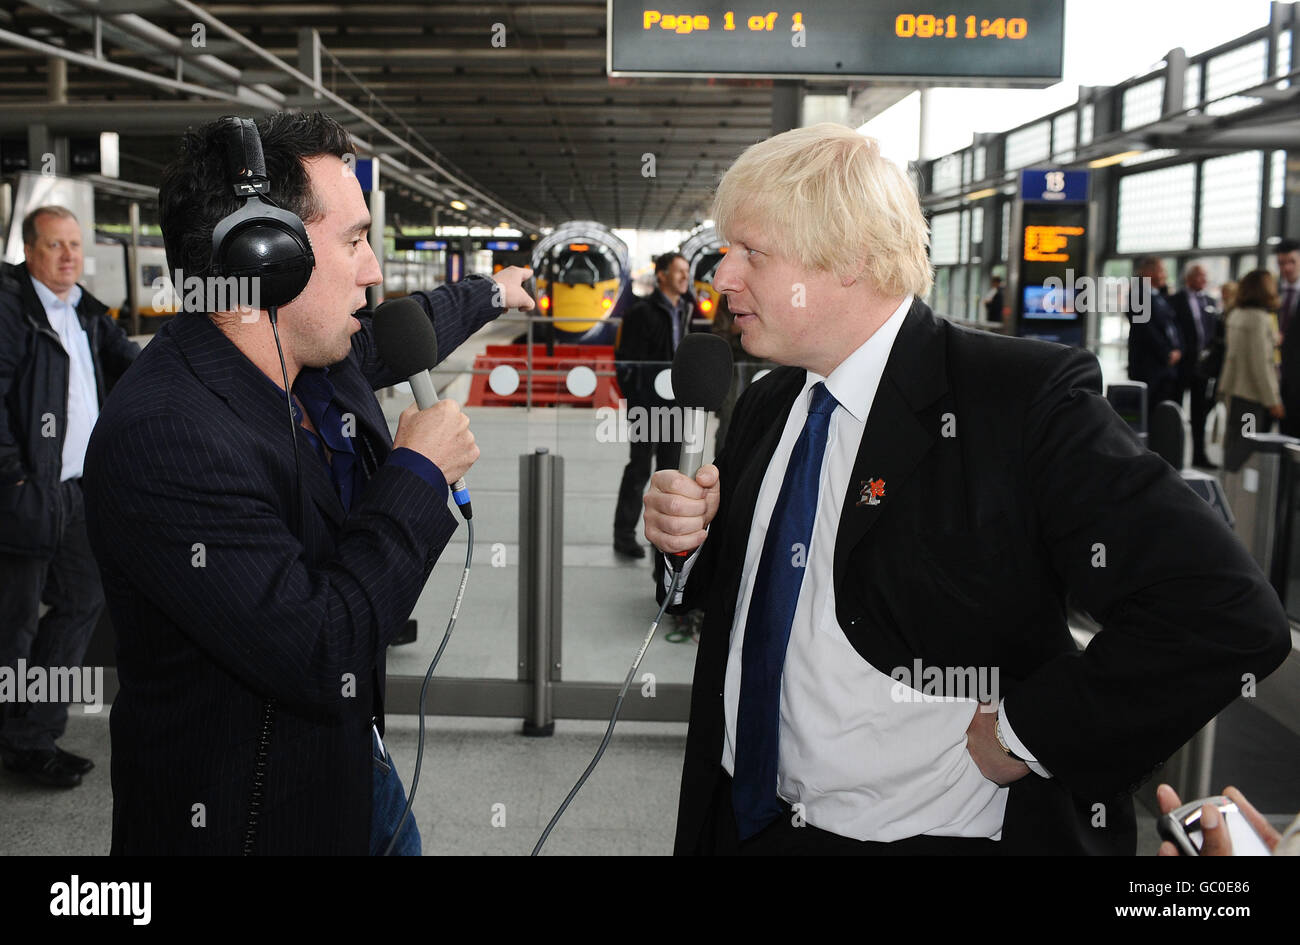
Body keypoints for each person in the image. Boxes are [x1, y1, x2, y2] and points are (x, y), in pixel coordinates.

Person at [642, 123, 1290, 855]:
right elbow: (745, 601)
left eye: (750, 252)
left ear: (849, 258)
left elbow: (1222, 611)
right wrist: (684, 545)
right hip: (744, 818)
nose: (722, 276)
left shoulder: (1016, 400)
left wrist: (1027, 733)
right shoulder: (770, 402)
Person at [80, 112, 533, 855]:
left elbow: (415, 318)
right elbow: (321, 650)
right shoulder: (167, 436)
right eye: (353, 241)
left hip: (356, 776)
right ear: (267, 259)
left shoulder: (321, 359)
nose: (374, 270)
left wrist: (492, 292)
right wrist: (417, 475)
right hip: (255, 821)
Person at [0, 206, 139, 789]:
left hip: (80, 492)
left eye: (76, 246)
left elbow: (130, 364)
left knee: (82, 605)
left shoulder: (83, 311)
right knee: (12, 628)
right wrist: (13, 479)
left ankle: (34, 736)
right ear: (30, 250)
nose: (68, 257)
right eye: (55, 245)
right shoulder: (11, 311)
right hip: (28, 494)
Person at [612, 251, 695, 560]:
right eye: (679, 271)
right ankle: (624, 536)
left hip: (678, 406)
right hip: (647, 406)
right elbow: (624, 362)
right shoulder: (641, 312)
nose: (685, 277)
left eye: (687, 271)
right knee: (639, 470)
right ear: (661, 275)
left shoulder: (685, 308)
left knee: (671, 475)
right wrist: (635, 400)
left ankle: (663, 539)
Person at [1219, 270, 1283, 470]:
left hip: (1234, 390)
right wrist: (1272, 400)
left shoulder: (1236, 314)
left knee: (1234, 441)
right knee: (1246, 445)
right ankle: (1238, 491)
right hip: (1251, 395)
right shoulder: (1259, 319)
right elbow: (1260, 365)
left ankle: (1230, 484)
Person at [1170, 263, 1221, 467]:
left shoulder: (1210, 301)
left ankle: (1199, 455)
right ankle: (1172, 454)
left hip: (1202, 366)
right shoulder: (1175, 301)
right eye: (1199, 276)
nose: (1204, 280)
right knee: (1175, 410)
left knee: (1199, 413)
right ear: (1189, 278)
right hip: (1182, 364)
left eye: (1205, 276)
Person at [1127, 256, 1183, 407]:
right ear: (1148, 272)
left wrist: (1178, 349)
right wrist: (1166, 353)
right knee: (1147, 412)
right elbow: (1146, 330)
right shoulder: (1137, 296)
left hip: (1165, 367)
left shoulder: (1160, 296)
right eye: (1161, 270)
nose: (1164, 275)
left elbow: (1173, 324)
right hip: (1148, 367)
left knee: (1163, 413)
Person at [1276, 239, 1300, 437]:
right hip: (1272, 375)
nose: (1287, 268)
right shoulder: (1271, 292)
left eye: (1291, 261)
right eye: (1282, 263)